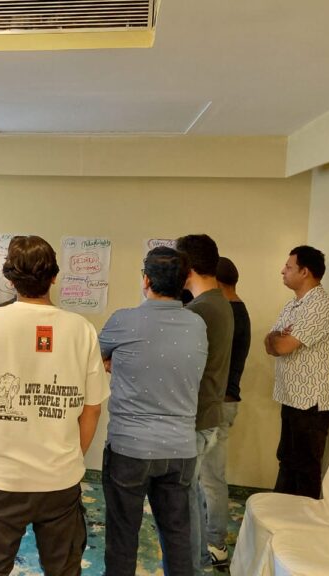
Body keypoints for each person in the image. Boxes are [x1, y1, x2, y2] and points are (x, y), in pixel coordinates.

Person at [0, 235, 109, 576]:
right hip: (60, 480)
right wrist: (71, 456)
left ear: (9, 280)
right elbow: (92, 408)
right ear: (54, 277)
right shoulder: (82, 329)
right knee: (64, 569)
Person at [99, 247, 208, 576]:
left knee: (122, 537)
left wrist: (120, 363)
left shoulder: (123, 320)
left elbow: (94, 359)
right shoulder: (197, 325)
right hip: (180, 450)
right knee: (177, 537)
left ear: (146, 280)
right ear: (184, 282)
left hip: (129, 448)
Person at [175, 233, 233, 575]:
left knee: (185, 500)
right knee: (193, 494)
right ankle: (198, 561)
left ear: (188, 267)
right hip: (207, 414)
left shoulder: (200, 311)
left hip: (196, 418)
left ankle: (196, 565)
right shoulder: (218, 302)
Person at [265, 245, 329, 499]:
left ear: (305, 272)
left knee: (305, 468)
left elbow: (282, 346)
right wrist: (276, 338)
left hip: (312, 401)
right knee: (286, 459)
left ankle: (302, 520)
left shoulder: (320, 306)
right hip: (292, 396)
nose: (282, 271)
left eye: (288, 267)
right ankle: (280, 513)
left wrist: (278, 339)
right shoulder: (293, 305)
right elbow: (269, 344)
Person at [201, 256, 251, 564]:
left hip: (219, 405)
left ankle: (215, 544)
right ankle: (207, 537)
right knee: (206, 477)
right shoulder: (239, 310)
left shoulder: (226, 314)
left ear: (216, 282)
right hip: (225, 403)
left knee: (211, 479)